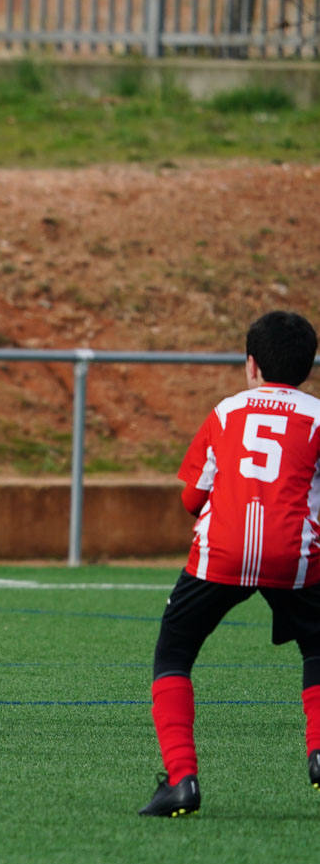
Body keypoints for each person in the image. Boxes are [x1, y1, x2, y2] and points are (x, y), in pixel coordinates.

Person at [139, 310, 320, 817]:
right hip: (294, 553)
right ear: (308, 368)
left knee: (174, 653)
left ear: (251, 365)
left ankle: (182, 781)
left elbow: (192, 499)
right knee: (318, 647)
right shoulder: (318, 417)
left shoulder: (225, 413)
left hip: (220, 551)